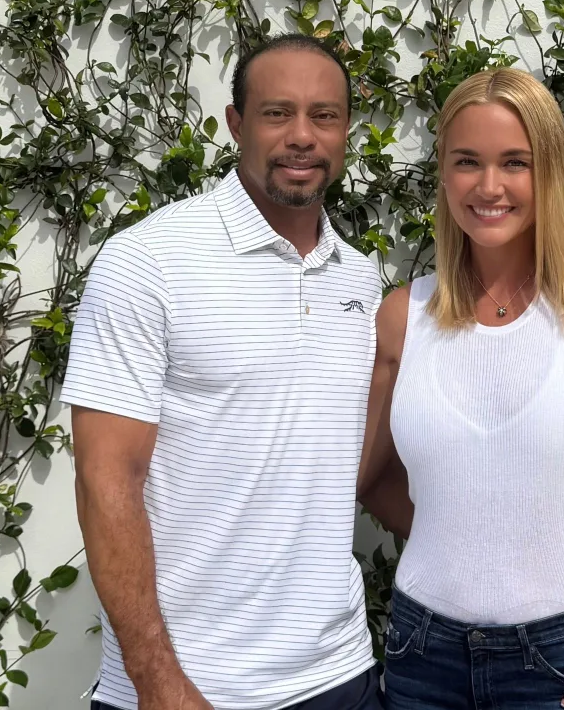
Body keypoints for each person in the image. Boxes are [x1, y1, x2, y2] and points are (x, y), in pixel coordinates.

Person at [62, 34, 387, 710]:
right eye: (277, 113)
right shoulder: (147, 262)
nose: (302, 136)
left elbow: (349, 470)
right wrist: (158, 681)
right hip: (190, 687)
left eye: (324, 115)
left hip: (340, 676)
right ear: (236, 124)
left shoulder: (360, 279)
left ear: (346, 131)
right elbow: (104, 480)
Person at [358, 68, 564, 710]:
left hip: (558, 662)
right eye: (467, 161)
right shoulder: (404, 315)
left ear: (551, 172)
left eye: (516, 162)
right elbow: (368, 477)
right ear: (443, 173)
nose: (490, 187)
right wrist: (464, 531)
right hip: (421, 656)